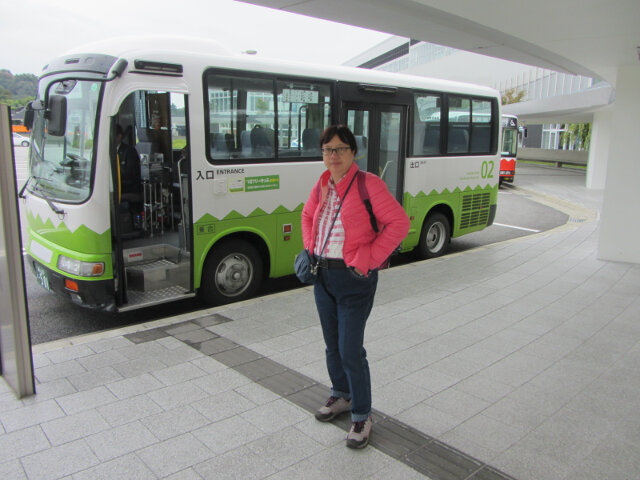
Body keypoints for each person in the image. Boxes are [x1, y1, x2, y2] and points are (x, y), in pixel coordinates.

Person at [301, 125, 410, 448]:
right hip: (323, 277)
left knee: (350, 350)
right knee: (332, 346)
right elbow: (307, 216)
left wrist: (369, 259)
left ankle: (361, 414)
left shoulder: (368, 184)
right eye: (327, 150)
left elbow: (399, 223)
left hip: (354, 279)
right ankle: (341, 395)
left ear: (353, 152)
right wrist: (311, 249)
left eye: (340, 149)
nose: (333, 156)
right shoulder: (322, 185)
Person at [115, 124, 141, 201]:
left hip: (129, 186)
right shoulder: (109, 152)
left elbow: (129, 174)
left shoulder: (129, 151)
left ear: (119, 136)